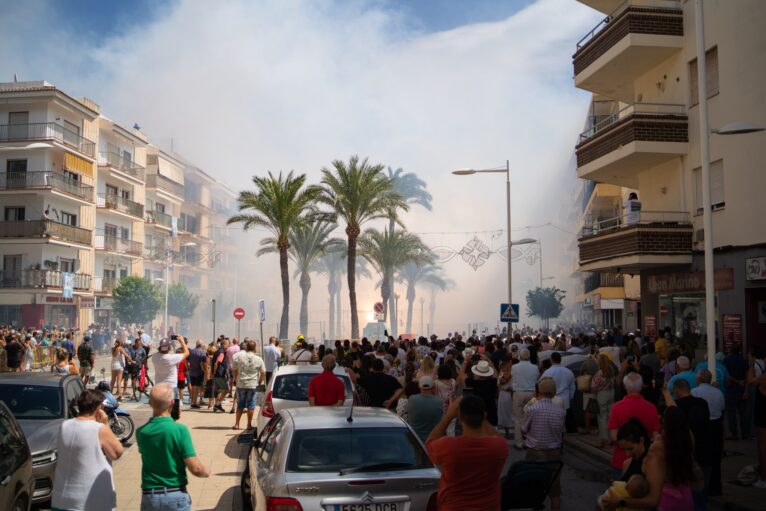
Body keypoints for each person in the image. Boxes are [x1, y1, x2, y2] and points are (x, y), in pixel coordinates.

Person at [426, 396, 509, 511]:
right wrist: (481, 417)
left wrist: (448, 416)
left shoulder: (449, 446)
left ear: (460, 418)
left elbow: (429, 444)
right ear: (484, 416)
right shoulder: (499, 446)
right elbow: (497, 437)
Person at [137, 384, 210, 510]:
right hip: (174, 493)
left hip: (150, 495)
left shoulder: (141, 432)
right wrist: (206, 472)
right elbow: (196, 468)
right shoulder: (179, 430)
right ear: (171, 403)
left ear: (150, 403)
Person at [50, 389, 123, 511]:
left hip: (62, 499)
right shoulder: (99, 429)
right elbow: (117, 452)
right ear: (98, 408)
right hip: (90, 501)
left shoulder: (64, 425)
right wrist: (105, 425)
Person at [521, 378, 567, 511]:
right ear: (554, 393)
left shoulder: (532, 409)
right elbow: (562, 431)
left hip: (535, 453)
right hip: (554, 453)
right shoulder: (561, 412)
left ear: (539, 391)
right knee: (555, 491)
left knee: (535, 488)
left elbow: (523, 429)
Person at [665, 378, 711, 509]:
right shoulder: (703, 403)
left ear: (676, 390)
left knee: (689, 497)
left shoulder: (677, 407)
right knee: (702, 496)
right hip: (705, 453)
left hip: (686, 456)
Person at [608, 373, 660, 480]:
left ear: (625, 386)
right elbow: (655, 436)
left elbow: (613, 435)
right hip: (645, 461)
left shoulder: (616, 407)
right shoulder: (651, 408)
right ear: (641, 387)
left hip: (620, 460)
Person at [691, 369, 726, 498]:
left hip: (702, 427)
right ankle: (716, 486)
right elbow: (722, 408)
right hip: (716, 426)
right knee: (716, 457)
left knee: (701, 456)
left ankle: (701, 485)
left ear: (698, 379)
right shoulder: (718, 392)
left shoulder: (694, 392)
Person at [151, 336, 190, 420]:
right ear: (169, 348)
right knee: (174, 414)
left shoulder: (155, 357)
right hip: (171, 388)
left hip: (159, 388)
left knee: (160, 413)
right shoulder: (172, 358)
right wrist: (182, 341)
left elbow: (157, 352)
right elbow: (186, 353)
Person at [230, 340, 265, 430]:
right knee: (251, 405)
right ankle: (249, 424)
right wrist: (260, 382)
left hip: (241, 384)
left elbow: (234, 369)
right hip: (252, 385)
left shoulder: (239, 357)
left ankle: (237, 424)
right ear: (255, 348)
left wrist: (236, 378)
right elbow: (263, 372)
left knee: (240, 404)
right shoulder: (258, 359)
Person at [511, 348, 539, 448]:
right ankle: (529, 440)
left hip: (519, 392)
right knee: (531, 417)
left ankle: (519, 442)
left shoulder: (514, 367)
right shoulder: (535, 367)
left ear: (520, 356)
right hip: (531, 392)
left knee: (518, 418)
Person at [747, 347, 766, 489]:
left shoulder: (763, 378)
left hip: (763, 415)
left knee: (762, 447)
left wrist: (751, 365)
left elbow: (751, 381)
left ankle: (763, 479)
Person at [723, 345, 750, 440]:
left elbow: (727, 375)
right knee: (743, 413)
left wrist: (736, 381)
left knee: (731, 413)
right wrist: (746, 391)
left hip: (730, 390)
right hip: (742, 390)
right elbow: (747, 378)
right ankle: (745, 433)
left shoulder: (726, 360)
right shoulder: (743, 361)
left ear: (730, 350)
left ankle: (734, 433)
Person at [406, 376, 444, 443]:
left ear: (419, 386)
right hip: (433, 441)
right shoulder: (439, 402)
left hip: (416, 440)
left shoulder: (412, 399)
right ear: (432, 387)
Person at [591, 352, 616, 447]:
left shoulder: (600, 373)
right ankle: (612, 437)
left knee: (602, 417)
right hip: (611, 392)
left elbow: (594, 386)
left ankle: (603, 439)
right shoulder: (611, 370)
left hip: (602, 394)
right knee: (611, 415)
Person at [186, 340, 207, 409]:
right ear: (201, 345)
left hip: (192, 372)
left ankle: (193, 402)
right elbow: (204, 363)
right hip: (199, 372)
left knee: (193, 387)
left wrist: (187, 367)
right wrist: (205, 371)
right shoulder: (202, 352)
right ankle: (194, 402)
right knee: (197, 388)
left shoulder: (191, 351)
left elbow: (186, 360)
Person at [211, 338, 231, 413]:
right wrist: (215, 372)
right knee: (226, 389)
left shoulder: (217, 351)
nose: (228, 346)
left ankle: (218, 406)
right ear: (223, 344)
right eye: (227, 344)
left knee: (219, 390)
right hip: (219, 374)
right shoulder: (222, 352)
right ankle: (217, 404)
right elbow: (217, 363)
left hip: (217, 374)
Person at [497, 359, 513, 438]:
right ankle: (508, 431)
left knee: (505, 413)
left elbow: (499, 384)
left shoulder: (503, 375)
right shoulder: (511, 374)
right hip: (507, 394)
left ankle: (507, 433)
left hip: (504, 395)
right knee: (507, 413)